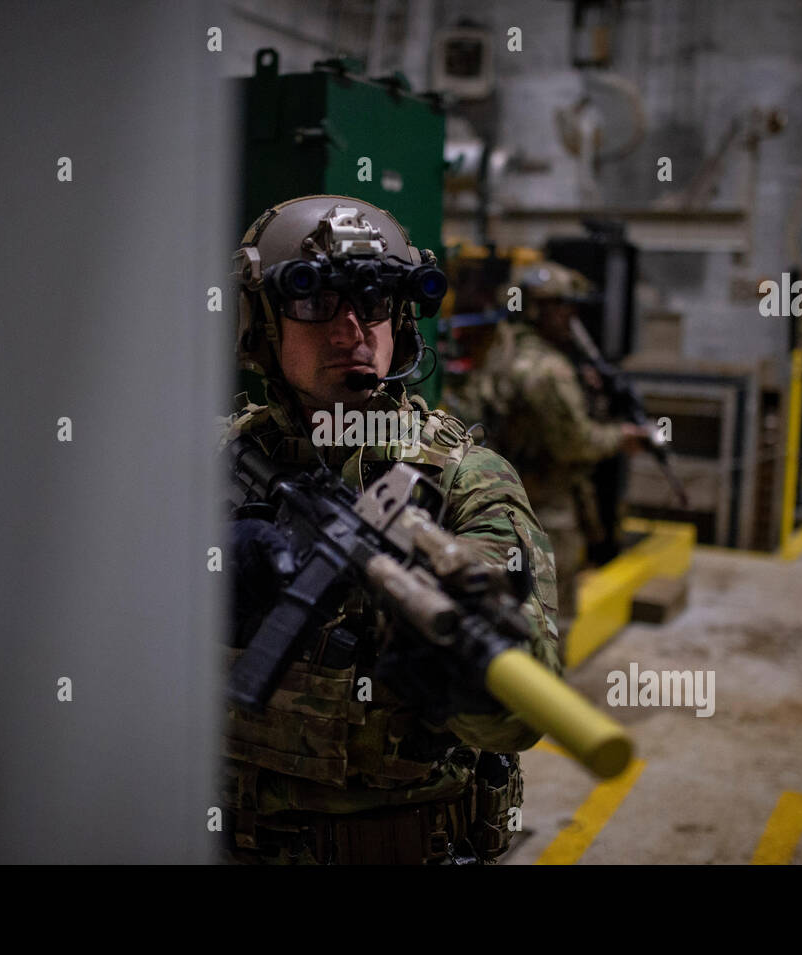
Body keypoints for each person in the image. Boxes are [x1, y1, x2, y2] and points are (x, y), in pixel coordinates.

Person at [219, 195, 561, 864]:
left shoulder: (468, 480)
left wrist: (451, 662)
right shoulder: (209, 461)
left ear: (401, 320)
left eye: (375, 301)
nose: (351, 328)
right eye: (317, 301)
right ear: (261, 322)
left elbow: (526, 710)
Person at [449, 261, 647, 623]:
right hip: (546, 515)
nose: (572, 318)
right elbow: (576, 443)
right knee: (551, 621)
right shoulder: (550, 370)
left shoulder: (502, 350)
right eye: (563, 308)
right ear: (539, 310)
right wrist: (623, 437)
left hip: (500, 504)